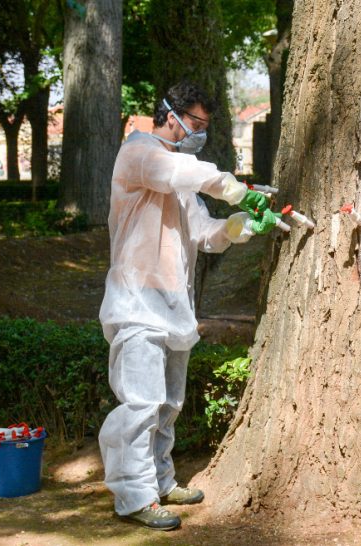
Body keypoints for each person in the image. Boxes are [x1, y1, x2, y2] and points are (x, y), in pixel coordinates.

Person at [98, 81, 278, 530]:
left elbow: (206, 234)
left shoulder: (179, 179)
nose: (199, 132)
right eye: (194, 123)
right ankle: (134, 496)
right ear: (169, 114)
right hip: (136, 305)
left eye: (204, 125)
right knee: (139, 405)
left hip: (174, 308)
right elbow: (183, 172)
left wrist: (242, 223)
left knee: (167, 403)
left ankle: (160, 480)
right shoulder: (139, 154)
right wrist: (236, 188)